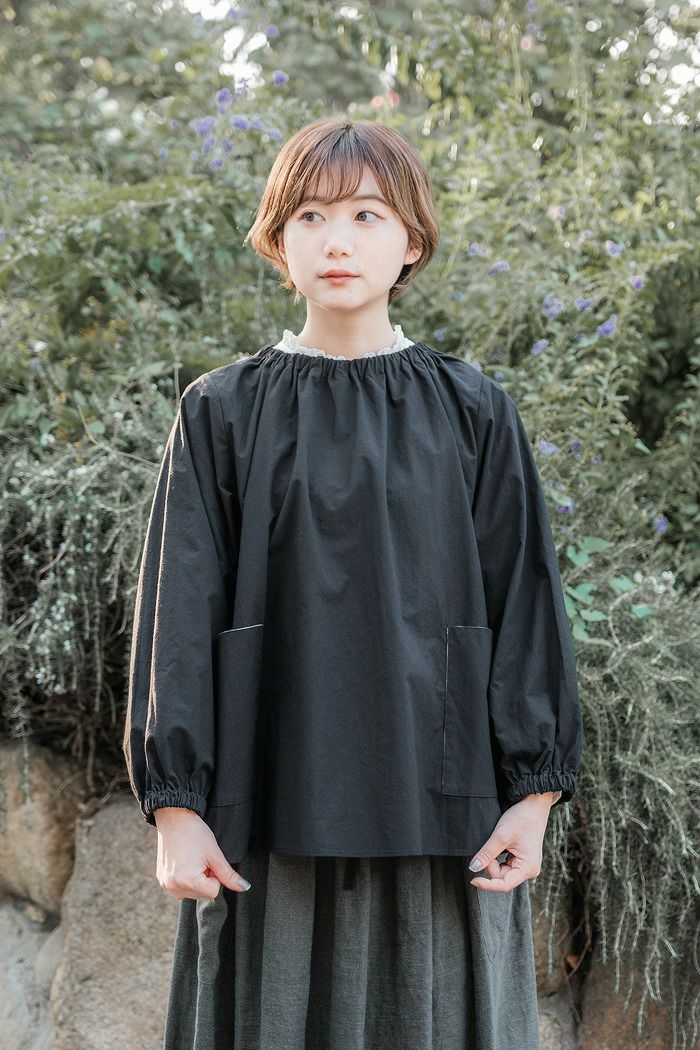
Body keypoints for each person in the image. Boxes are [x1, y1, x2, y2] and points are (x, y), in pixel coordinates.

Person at [123, 115, 582, 1050]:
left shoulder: (472, 409)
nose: (337, 240)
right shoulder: (220, 413)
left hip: (445, 817)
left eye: (367, 214)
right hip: (265, 813)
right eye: (311, 215)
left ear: (411, 240)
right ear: (277, 240)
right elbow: (179, 613)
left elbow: (524, 603)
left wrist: (533, 797)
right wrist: (176, 807)